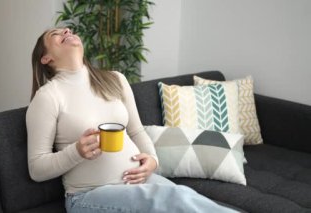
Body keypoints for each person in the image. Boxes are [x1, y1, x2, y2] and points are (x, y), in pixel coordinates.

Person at [26, 27, 238, 213]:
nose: (67, 32)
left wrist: (152, 160)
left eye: (69, 31)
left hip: (139, 183)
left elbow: (136, 131)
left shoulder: (115, 79)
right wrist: (76, 151)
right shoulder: (48, 97)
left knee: (190, 199)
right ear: (46, 58)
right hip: (89, 196)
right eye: (57, 33)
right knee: (178, 199)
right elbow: (37, 168)